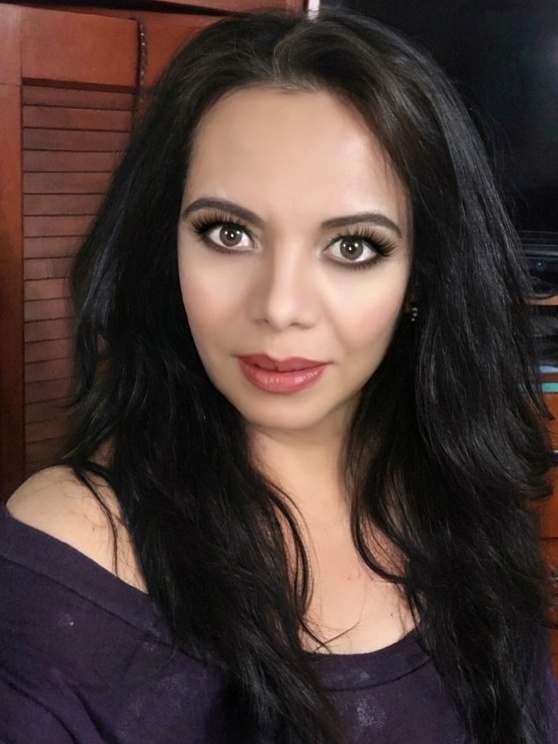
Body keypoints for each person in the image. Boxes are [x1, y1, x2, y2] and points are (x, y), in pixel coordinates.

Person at [0, 8, 556, 744]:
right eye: (228, 233)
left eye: (353, 246)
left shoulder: (461, 494)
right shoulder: (71, 559)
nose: (280, 307)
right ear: (166, 248)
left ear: (421, 275)